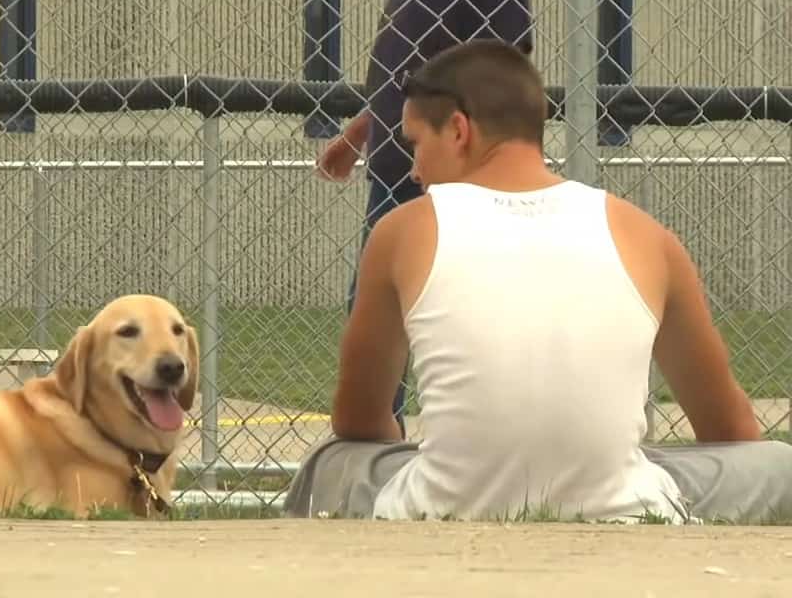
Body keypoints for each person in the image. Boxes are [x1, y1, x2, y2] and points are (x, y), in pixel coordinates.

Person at [284, 40, 792, 524]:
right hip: (628, 505)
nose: (414, 170)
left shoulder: (402, 230)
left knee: (332, 459)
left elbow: (359, 421)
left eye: (415, 144)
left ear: (459, 131)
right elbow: (730, 431)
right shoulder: (646, 235)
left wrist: (441, 451)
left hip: (436, 504)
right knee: (775, 463)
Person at [316, 0, 534, 435]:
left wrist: (472, 160)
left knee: (455, 311)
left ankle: (473, 439)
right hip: (393, 164)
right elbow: (404, 66)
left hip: (449, 171)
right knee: (376, 311)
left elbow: (498, 67)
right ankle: (376, 443)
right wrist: (360, 132)